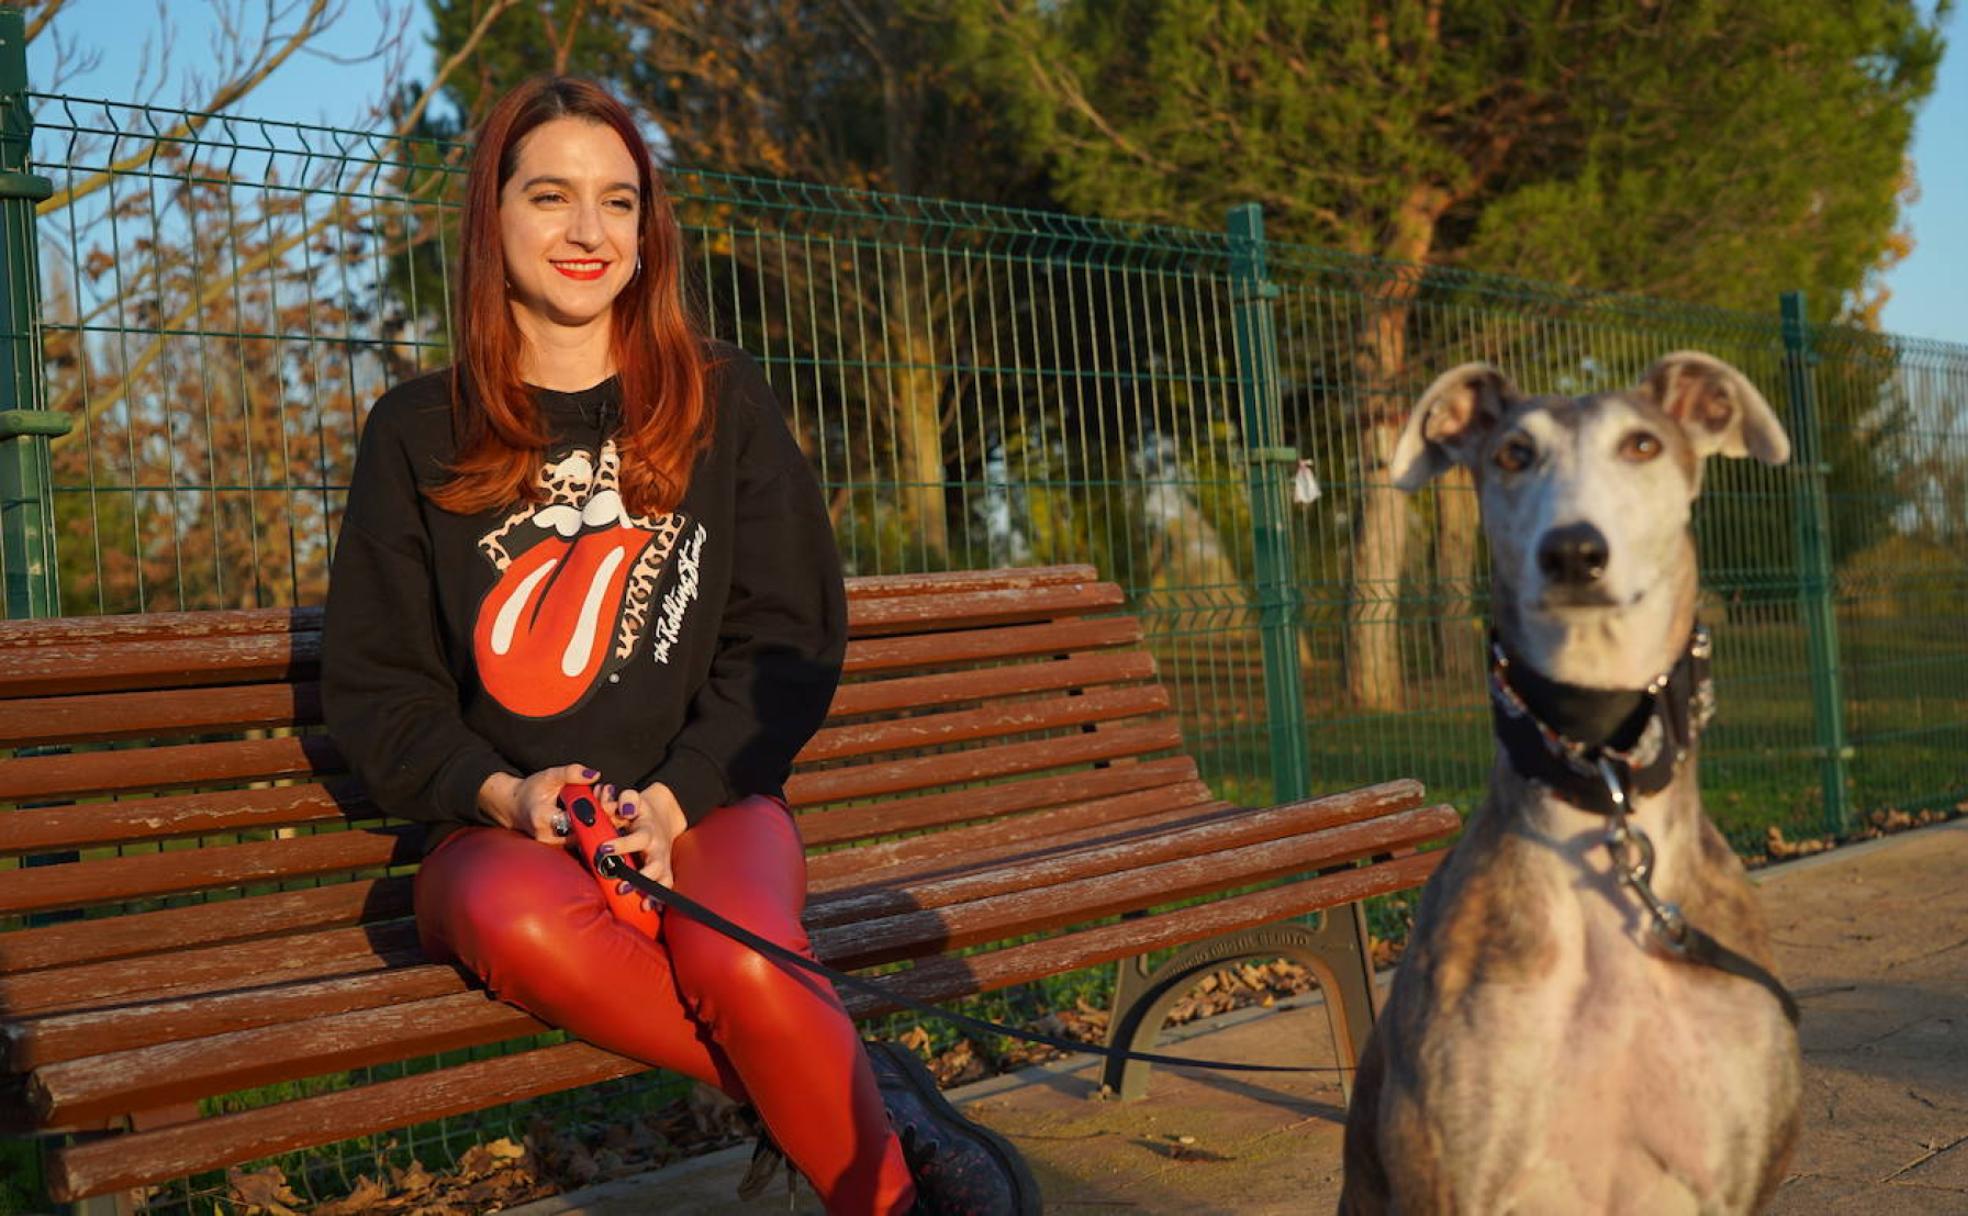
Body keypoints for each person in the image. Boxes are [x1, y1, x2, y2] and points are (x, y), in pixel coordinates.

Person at [322, 76, 1037, 1216]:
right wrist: (509, 794)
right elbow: (380, 687)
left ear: (649, 229)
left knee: (742, 958)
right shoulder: (416, 430)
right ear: (491, 215)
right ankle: (875, 1095)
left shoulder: (719, 396)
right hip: (500, 836)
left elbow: (787, 634)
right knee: (512, 917)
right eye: (550, 196)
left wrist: (673, 801)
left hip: (709, 806)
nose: (588, 231)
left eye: (619, 201)